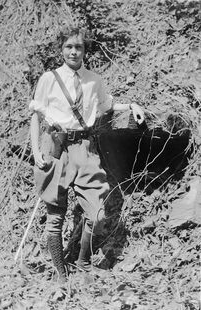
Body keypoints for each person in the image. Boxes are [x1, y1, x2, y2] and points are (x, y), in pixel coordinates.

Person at [29, 26, 144, 282]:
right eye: (68, 46)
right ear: (61, 50)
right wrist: (37, 151)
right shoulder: (49, 79)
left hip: (85, 148)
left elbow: (107, 105)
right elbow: (36, 117)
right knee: (55, 215)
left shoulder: (94, 80)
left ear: (84, 50)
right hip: (55, 148)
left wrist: (132, 105)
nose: (73, 51)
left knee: (98, 213)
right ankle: (61, 272)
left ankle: (82, 262)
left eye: (78, 47)